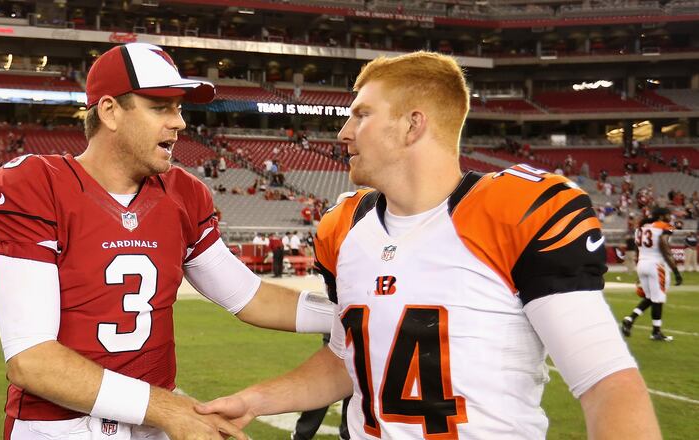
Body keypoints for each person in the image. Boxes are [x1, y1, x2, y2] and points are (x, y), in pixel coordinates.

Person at [197, 51, 660, 439]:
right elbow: (348, 358)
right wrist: (255, 399)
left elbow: (607, 382)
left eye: (361, 115)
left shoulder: (515, 211)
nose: (343, 133)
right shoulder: (345, 226)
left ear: (413, 125)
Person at [0, 43, 332, 440]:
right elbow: (32, 360)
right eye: (160, 107)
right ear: (110, 111)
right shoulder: (36, 184)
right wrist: (167, 409)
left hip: (151, 426)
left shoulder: (183, 193)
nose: (179, 122)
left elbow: (250, 297)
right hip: (60, 428)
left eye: (179, 107)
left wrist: (354, 316)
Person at [622, 207, 683, 341]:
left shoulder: (641, 227)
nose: (670, 217)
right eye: (668, 215)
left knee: (650, 298)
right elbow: (664, 247)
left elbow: (638, 248)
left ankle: (630, 319)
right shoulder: (666, 226)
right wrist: (676, 271)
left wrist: (640, 266)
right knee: (658, 299)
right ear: (661, 216)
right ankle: (656, 332)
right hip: (656, 265)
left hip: (642, 263)